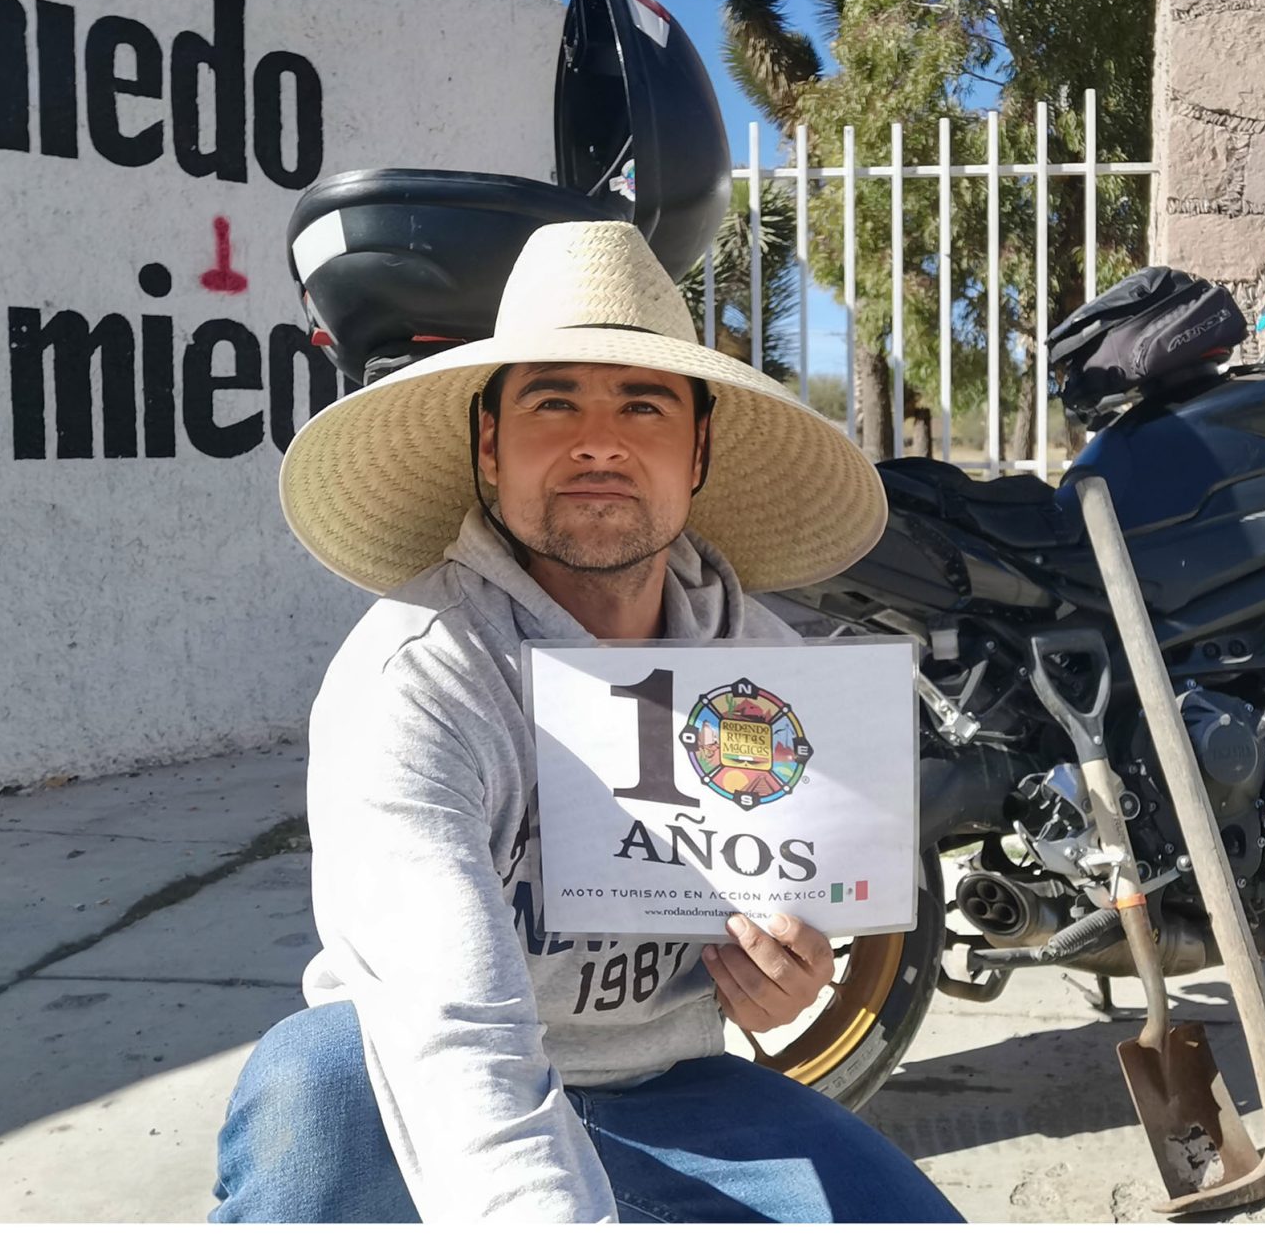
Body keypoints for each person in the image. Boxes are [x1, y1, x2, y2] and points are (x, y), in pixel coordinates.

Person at [213, 220, 960, 1223]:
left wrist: (786, 975)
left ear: (696, 450)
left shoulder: (768, 673)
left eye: (642, 405)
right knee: (314, 1082)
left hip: (672, 1091)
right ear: (489, 445)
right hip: (410, 1075)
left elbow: (805, 905)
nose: (596, 441)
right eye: (550, 401)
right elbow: (454, 1034)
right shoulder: (419, 676)